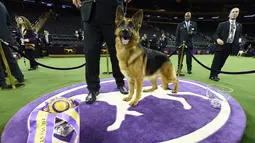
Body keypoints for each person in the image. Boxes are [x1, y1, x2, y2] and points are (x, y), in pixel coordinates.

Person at [73, 0, 131, 104]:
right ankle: (92, 88)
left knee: (116, 51)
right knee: (90, 52)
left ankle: (120, 82)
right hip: (90, 11)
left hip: (112, 12)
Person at [209, 8, 242, 81]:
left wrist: (238, 47)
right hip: (221, 45)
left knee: (222, 62)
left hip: (230, 46)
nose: (234, 13)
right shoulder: (222, 24)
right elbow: (215, 34)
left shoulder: (239, 26)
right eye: (233, 12)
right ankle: (212, 75)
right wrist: (217, 39)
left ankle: (216, 74)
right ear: (229, 14)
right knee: (216, 61)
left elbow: (238, 37)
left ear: (238, 14)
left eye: (236, 12)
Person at [0, 2, 24, 89]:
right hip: (5, 35)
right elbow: (8, 22)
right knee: (9, 57)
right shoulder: (2, 5)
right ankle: (19, 76)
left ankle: (2, 82)